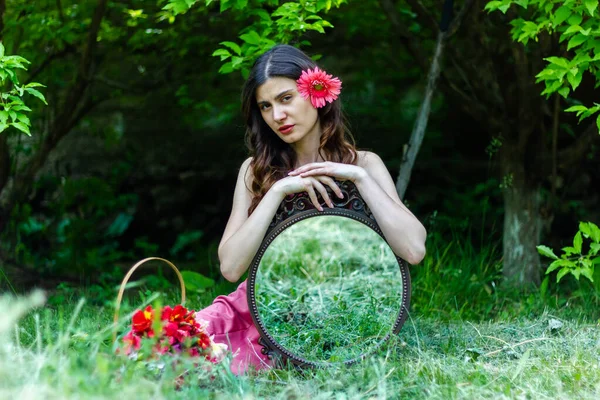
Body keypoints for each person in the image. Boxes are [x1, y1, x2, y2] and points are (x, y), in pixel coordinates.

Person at [195, 44, 427, 374]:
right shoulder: (255, 171)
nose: (277, 116)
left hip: (337, 313)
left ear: (316, 93)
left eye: (286, 98)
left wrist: (359, 177)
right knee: (167, 341)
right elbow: (231, 268)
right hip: (259, 309)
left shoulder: (364, 164)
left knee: (223, 367)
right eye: (265, 106)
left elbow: (414, 249)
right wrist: (277, 191)